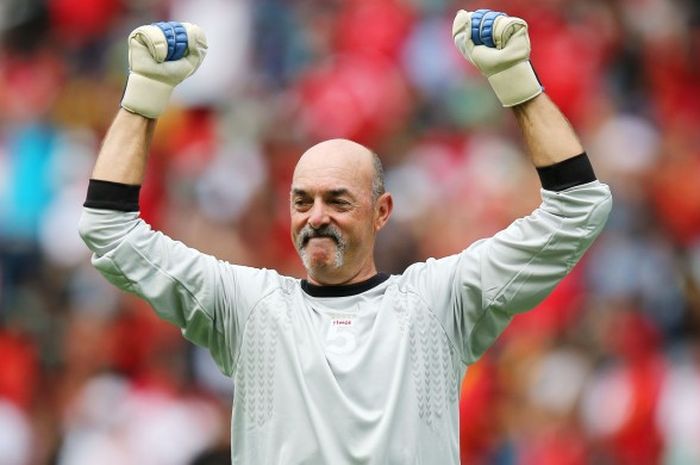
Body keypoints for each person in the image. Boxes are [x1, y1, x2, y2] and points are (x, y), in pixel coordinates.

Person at [79, 9, 612, 465]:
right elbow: (108, 231)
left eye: (338, 201)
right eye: (302, 200)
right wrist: (142, 98)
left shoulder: (438, 301)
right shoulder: (247, 307)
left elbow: (577, 212)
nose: (316, 217)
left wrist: (517, 81)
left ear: (382, 212)